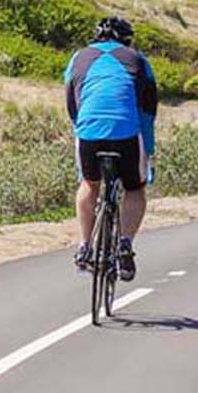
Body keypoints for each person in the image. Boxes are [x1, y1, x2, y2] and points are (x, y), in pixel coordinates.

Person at [65, 16, 158, 282]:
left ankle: (84, 246)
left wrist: (82, 130)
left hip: (88, 130)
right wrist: (148, 151)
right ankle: (125, 244)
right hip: (127, 131)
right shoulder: (138, 60)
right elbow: (148, 110)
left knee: (89, 184)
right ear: (127, 40)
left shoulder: (78, 58)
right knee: (134, 188)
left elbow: (72, 105)